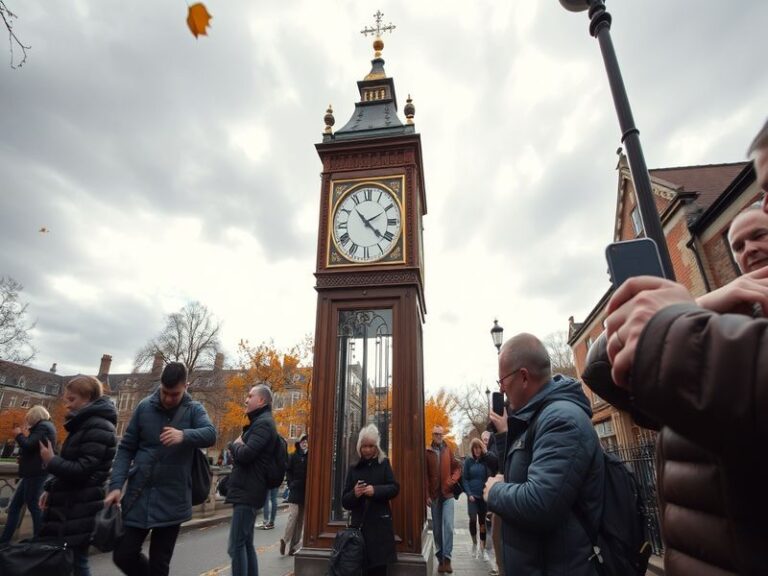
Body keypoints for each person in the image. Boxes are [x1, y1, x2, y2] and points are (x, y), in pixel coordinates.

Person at [591, 120, 768, 576]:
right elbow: (600, 368)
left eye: (759, 234)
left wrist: (673, 321)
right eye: (738, 242)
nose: (749, 247)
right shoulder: (733, 315)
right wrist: (701, 304)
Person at [483, 333, 603, 576]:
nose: (502, 390)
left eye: (502, 381)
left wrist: (495, 491)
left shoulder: (561, 420)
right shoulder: (537, 418)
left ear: (524, 377)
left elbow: (541, 504)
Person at [106, 362, 216, 576]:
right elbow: (126, 448)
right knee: (123, 554)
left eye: (174, 394)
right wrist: (116, 485)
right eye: (165, 392)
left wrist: (184, 435)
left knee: (160, 564)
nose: (167, 398)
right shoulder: (145, 407)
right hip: (140, 493)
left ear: (186, 386)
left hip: (172, 498)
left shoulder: (194, 409)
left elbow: (211, 434)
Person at [37, 376, 117, 576]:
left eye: (71, 400)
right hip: (71, 504)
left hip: (80, 506)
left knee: (76, 561)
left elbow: (82, 470)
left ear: (87, 398)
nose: (67, 405)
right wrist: (51, 487)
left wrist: (51, 460)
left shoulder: (97, 426)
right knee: (72, 561)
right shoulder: (85, 423)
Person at [225, 384, 278, 576]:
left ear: (261, 400)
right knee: (245, 543)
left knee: (236, 546)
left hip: (248, 492)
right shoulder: (260, 422)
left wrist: (234, 445)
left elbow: (246, 454)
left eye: (250, 396)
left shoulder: (263, 423)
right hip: (249, 490)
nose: (246, 400)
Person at [342, 424, 399, 576]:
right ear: (359, 446)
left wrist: (376, 490)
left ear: (376, 447)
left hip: (380, 528)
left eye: (371, 446)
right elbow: (345, 501)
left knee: (379, 570)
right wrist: (355, 493)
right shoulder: (354, 468)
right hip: (359, 530)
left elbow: (394, 488)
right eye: (364, 446)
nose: (367, 450)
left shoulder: (384, 463)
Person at [0, 405, 56, 543]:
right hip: (33, 472)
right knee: (16, 507)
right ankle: (5, 540)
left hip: (35, 473)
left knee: (33, 506)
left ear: (35, 417)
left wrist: (18, 434)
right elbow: (35, 448)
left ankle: (40, 540)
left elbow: (29, 445)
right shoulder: (47, 427)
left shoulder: (43, 427)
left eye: (30, 418)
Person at [424, 425, 461, 574]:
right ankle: (440, 559)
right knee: (437, 530)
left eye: (440, 434)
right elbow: (424, 476)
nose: (438, 436)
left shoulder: (448, 450)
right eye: (435, 434)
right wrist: (426, 495)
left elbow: (457, 467)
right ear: (432, 436)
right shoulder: (427, 452)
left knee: (448, 526)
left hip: (448, 495)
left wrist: (452, 480)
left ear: (443, 435)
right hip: (434, 497)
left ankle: (448, 559)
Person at [462, 438, 496, 561]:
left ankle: (482, 546)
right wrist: (469, 493)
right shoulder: (468, 462)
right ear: (472, 449)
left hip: (483, 497)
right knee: (472, 519)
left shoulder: (486, 461)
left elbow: (492, 475)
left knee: (482, 522)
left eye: (479, 448)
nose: (477, 450)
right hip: (472, 497)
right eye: (475, 448)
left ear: (482, 449)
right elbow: (464, 479)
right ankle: (474, 543)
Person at [281, 433, 308, 556]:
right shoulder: (293, 456)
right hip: (294, 490)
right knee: (294, 515)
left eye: (307, 442)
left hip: (305, 491)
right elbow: (288, 471)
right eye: (303, 441)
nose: (305, 443)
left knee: (300, 520)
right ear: (299, 442)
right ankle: (285, 540)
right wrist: (291, 483)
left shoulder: (310, 457)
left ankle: (293, 547)